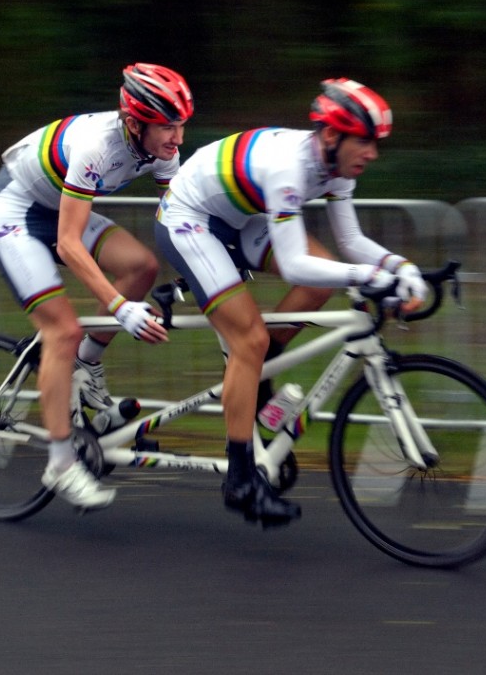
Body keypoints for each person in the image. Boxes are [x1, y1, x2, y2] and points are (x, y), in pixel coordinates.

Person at [154, 77, 428, 527]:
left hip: (239, 216)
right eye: (366, 142)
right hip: (190, 219)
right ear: (333, 136)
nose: (373, 154)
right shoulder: (289, 167)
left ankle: (260, 376)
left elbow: (351, 240)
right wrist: (370, 278)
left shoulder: (336, 168)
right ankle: (241, 479)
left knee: (318, 284)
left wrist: (403, 268)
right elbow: (295, 263)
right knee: (249, 337)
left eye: (376, 144)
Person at [0, 63, 193, 510]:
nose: (177, 139)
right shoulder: (97, 147)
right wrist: (119, 307)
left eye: (181, 125)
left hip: (55, 209)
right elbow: (69, 244)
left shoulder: (163, 150)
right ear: (135, 123)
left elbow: (181, 218)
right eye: (168, 127)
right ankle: (59, 463)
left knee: (141, 266)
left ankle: (85, 364)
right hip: (15, 214)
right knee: (62, 329)